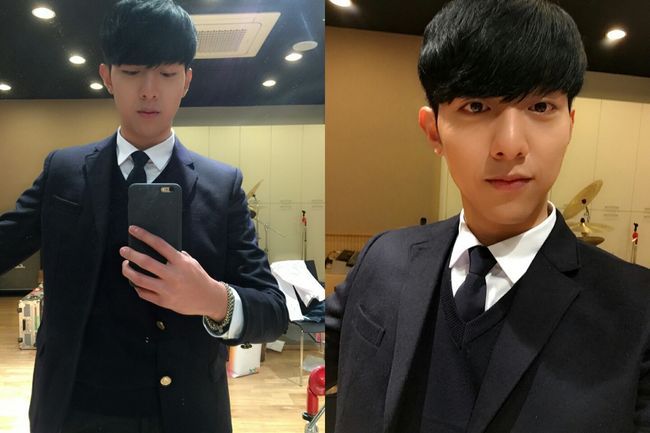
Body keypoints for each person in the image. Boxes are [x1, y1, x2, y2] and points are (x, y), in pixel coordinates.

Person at [325, 0, 650, 432]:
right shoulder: (382, 259)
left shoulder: (638, 310)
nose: (510, 145)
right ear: (433, 131)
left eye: (540, 107)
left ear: (570, 125)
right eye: (477, 106)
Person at [0, 1, 288, 432]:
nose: (149, 91)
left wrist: (212, 298)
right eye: (133, 72)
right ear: (107, 77)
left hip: (184, 415)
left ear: (187, 81)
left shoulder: (221, 185)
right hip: (72, 411)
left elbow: (274, 311)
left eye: (167, 74)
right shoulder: (63, 171)